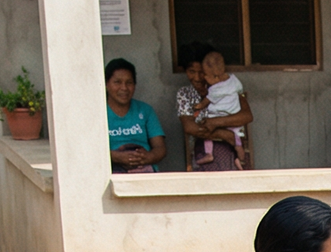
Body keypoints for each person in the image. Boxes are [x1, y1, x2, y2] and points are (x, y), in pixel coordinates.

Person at [176, 43, 250, 171]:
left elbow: (246, 116)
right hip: (204, 149)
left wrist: (214, 122)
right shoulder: (185, 94)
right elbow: (190, 127)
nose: (197, 78)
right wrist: (225, 135)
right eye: (191, 72)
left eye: (202, 73)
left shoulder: (227, 88)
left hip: (233, 148)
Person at [104, 58, 166, 173]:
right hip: (111, 172)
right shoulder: (99, 113)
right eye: (117, 82)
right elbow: (90, 151)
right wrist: (115, 157)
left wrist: (148, 157)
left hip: (144, 170)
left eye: (129, 82)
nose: (124, 88)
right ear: (106, 84)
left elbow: (160, 148)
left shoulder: (145, 110)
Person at [194, 48, 246, 167]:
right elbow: (240, 90)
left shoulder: (215, 89)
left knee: (206, 131)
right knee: (236, 135)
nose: (203, 77)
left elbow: (206, 102)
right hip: (234, 116)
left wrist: (199, 106)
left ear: (215, 77)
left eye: (205, 75)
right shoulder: (234, 80)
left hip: (218, 116)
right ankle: (239, 156)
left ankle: (208, 153)